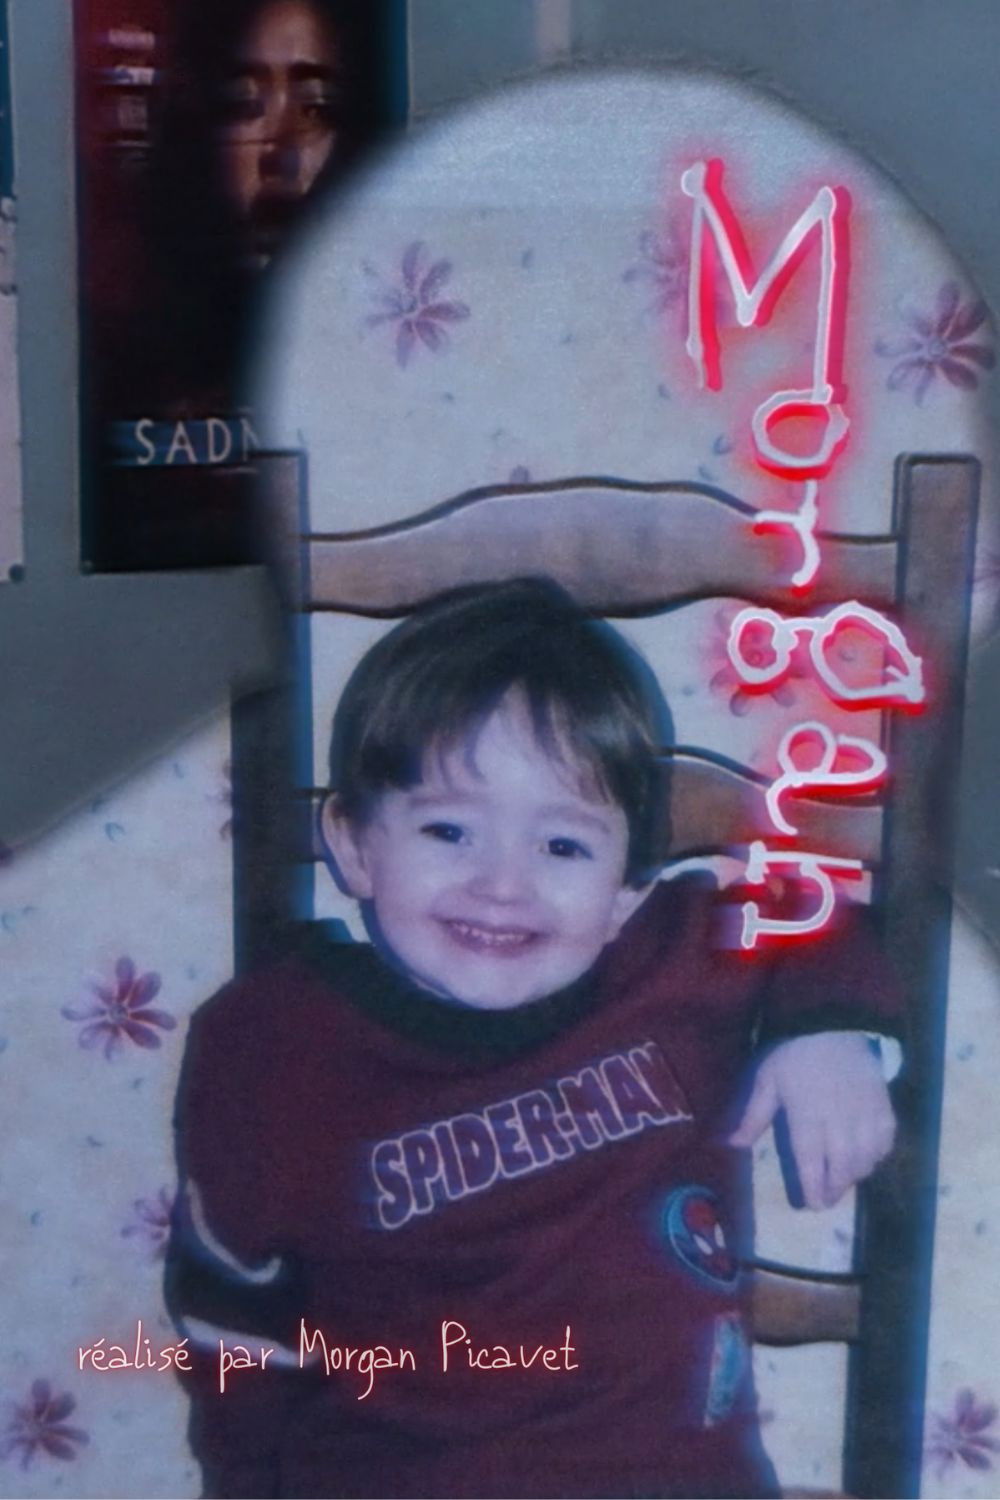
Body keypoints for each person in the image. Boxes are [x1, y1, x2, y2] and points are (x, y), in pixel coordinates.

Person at [167, 578, 899, 1499]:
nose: (502, 884)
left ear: (627, 892)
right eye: (448, 830)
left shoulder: (673, 959)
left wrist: (827, 1036)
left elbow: (813, 914)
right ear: (352, 845)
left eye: (562, 847)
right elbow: (232, 1323)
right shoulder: (272, 1045)